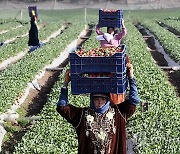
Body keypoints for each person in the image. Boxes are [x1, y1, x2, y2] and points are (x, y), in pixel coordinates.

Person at [56, 63, 140, 154]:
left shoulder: (118, 113)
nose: (99, 102)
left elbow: (134, 101)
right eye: (96, 99)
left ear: (108, 100)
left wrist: (131, 77)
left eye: (103, 99)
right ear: (92, 100)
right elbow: (62, 107)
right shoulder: (82, 115)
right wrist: (65, 84)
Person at [96, 19, 128, 104]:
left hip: (114, 58)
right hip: (103, 56)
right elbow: (97, 30)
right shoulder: (104, 35)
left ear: (114, 31)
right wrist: (99, 24)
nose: (110, 30)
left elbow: (124, 33)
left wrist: (123, 24)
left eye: (111, 29)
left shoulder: (117, 37)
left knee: (114, 74)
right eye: (109, 29)